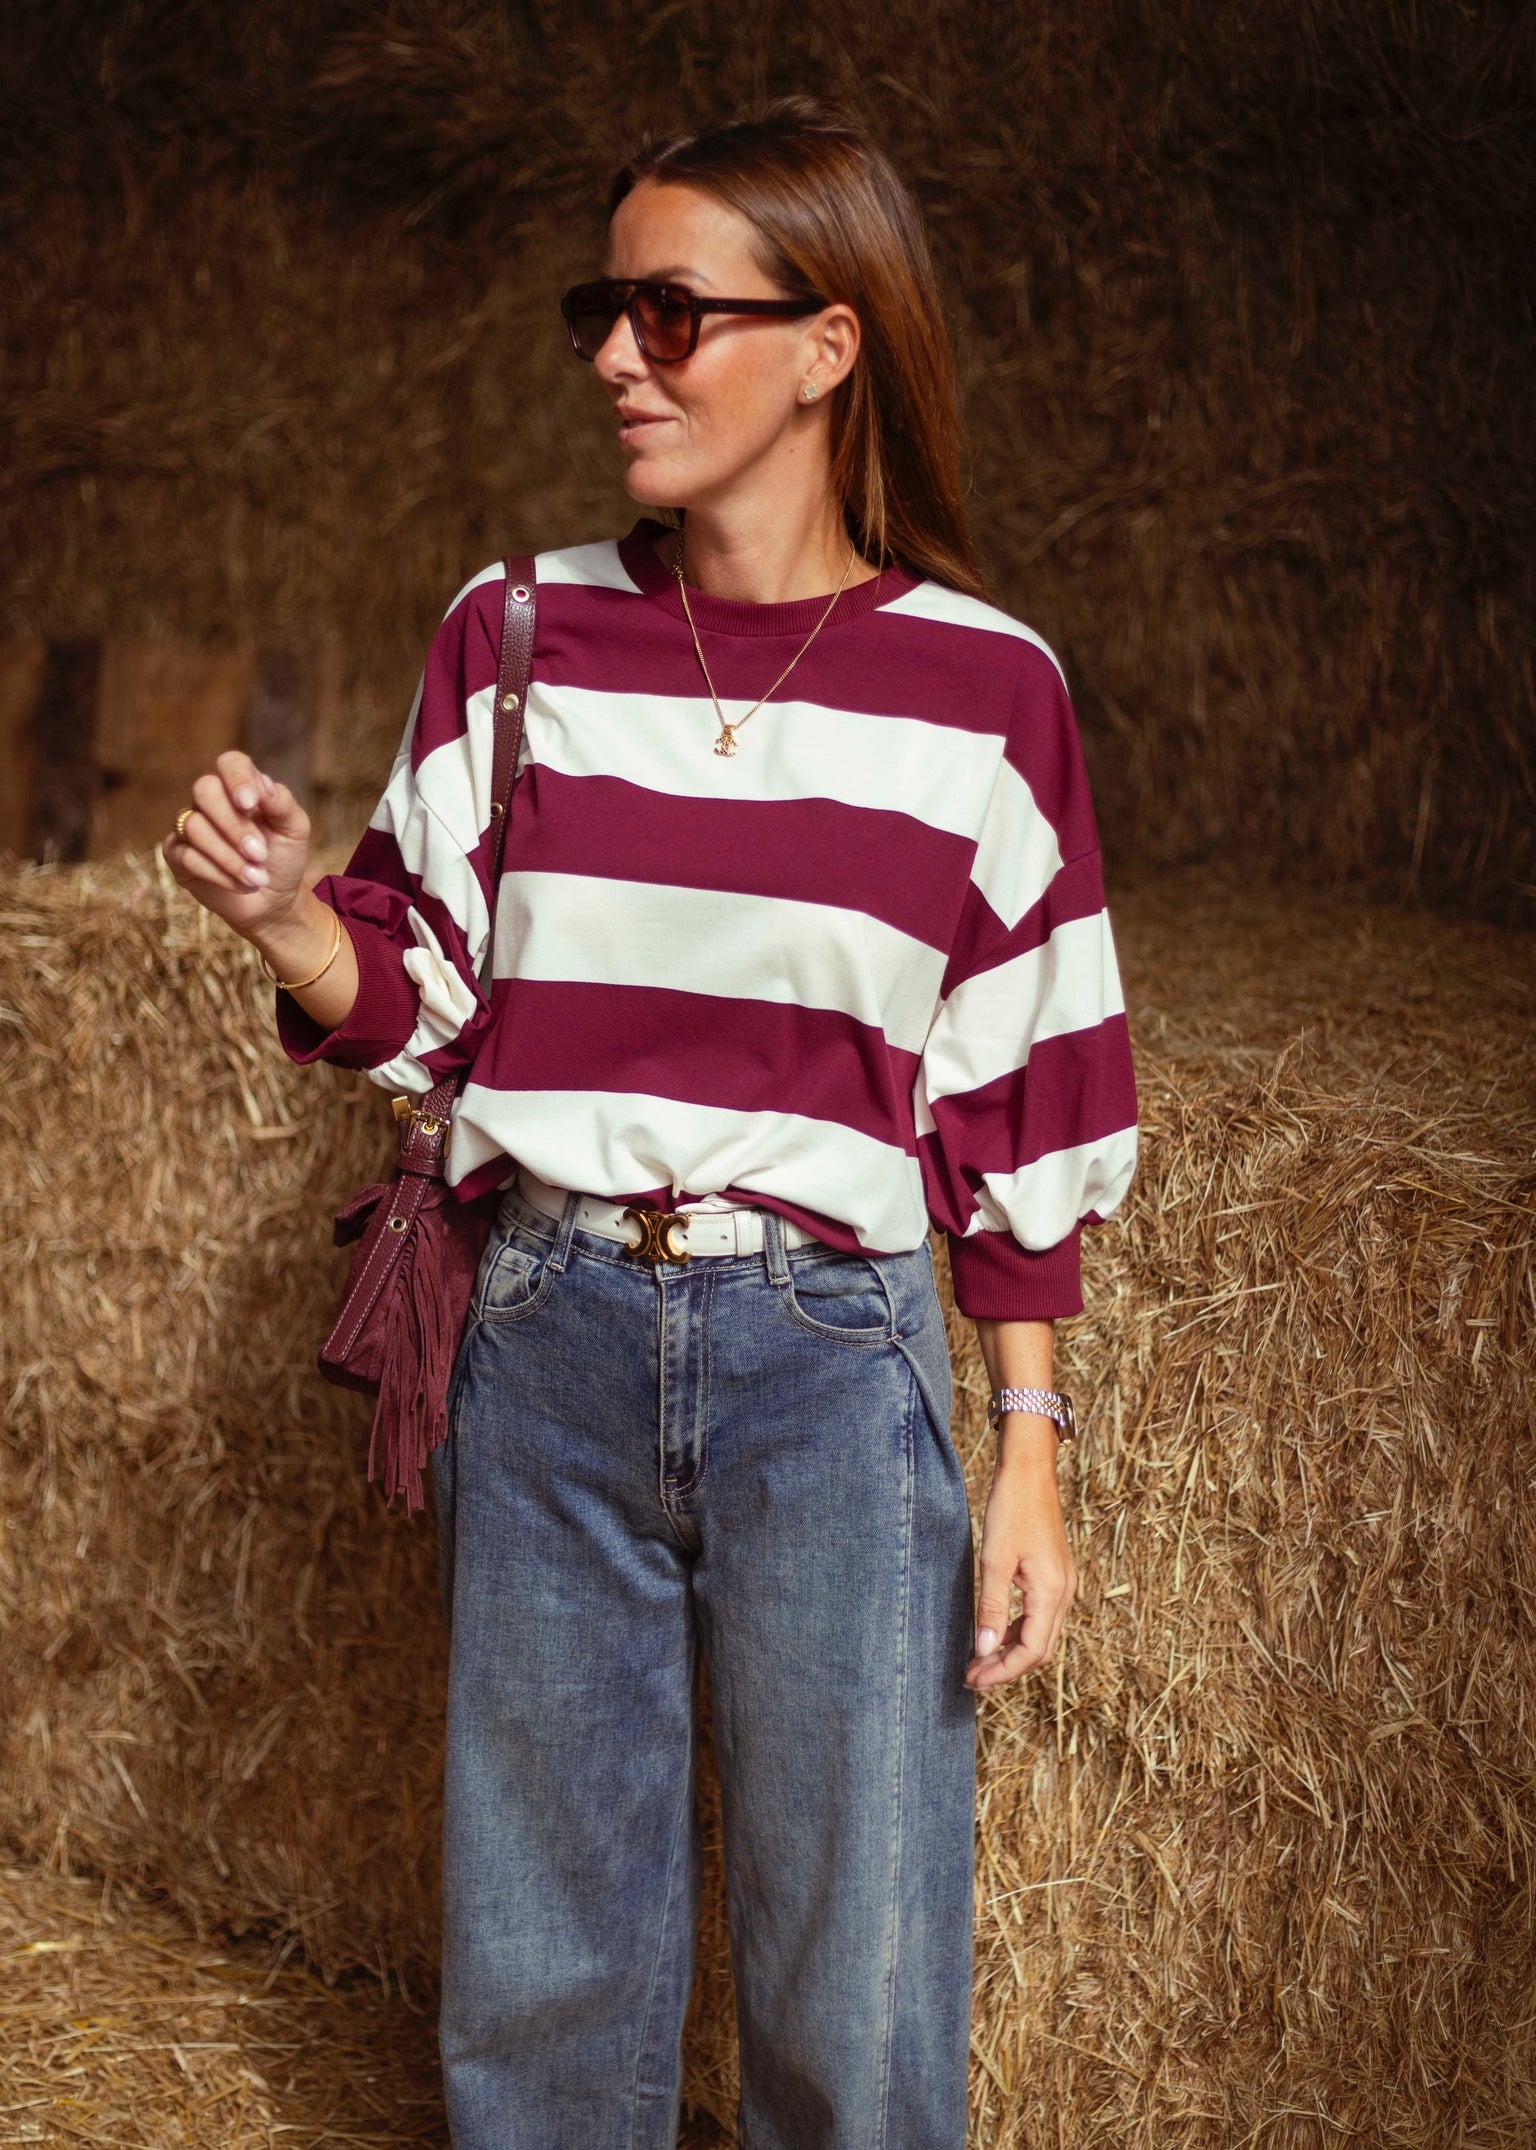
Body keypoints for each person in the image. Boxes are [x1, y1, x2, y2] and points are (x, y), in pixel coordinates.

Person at [165, 95, 1138, 2150]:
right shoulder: (515, 633)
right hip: (545, 1341)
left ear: (830, 344)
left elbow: (1020, 1089)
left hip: (834, 1364)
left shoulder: (989, 694)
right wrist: (283, 916)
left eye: (673, 314)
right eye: (604, 311)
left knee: (854, 1989)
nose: (618, 354)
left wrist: (1031, 1448)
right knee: (541, 1984)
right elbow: (418, 996)